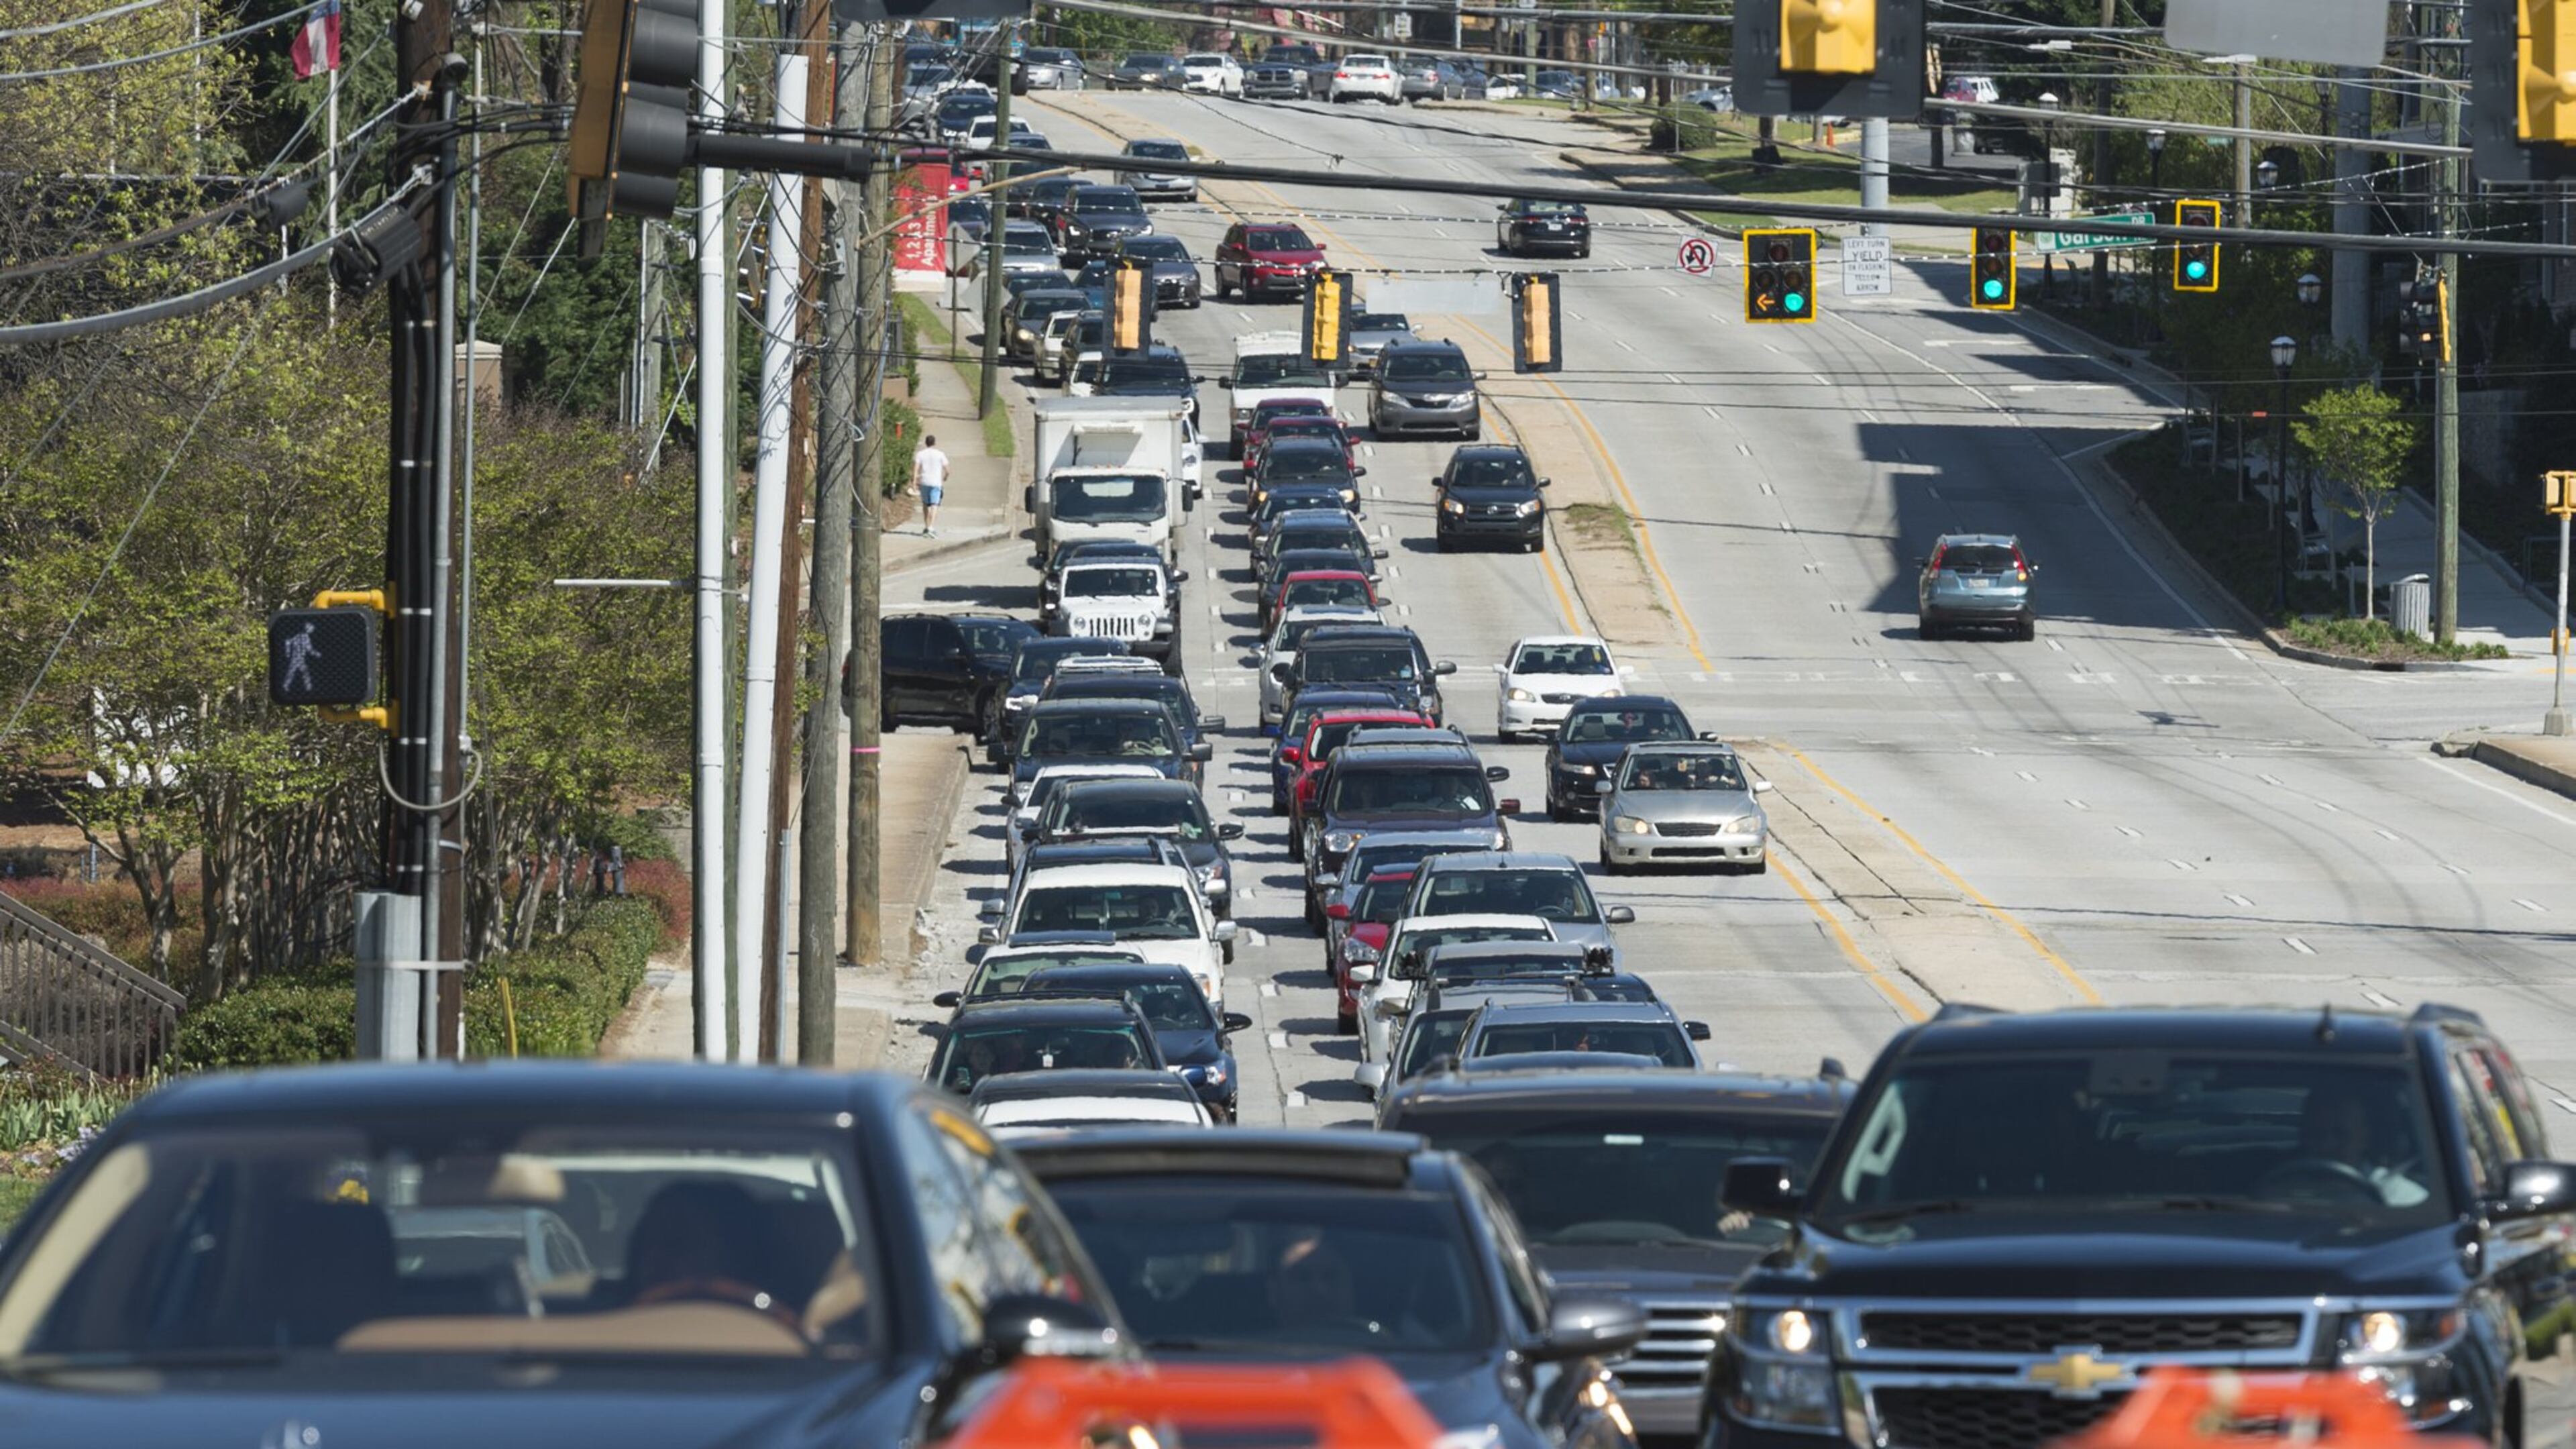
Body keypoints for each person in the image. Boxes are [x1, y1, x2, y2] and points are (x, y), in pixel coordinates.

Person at [912, 433, 950, 536]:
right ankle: (931, 527)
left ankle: (926, 526)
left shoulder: (920, 454)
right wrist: (945, 477)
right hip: (936, 483)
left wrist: (914, 481)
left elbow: (916, 469)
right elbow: (947, 470)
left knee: (925, 504)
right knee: (935, 505)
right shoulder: (940, 454)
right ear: (935, 443)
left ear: (926, 443)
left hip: (924, 482)